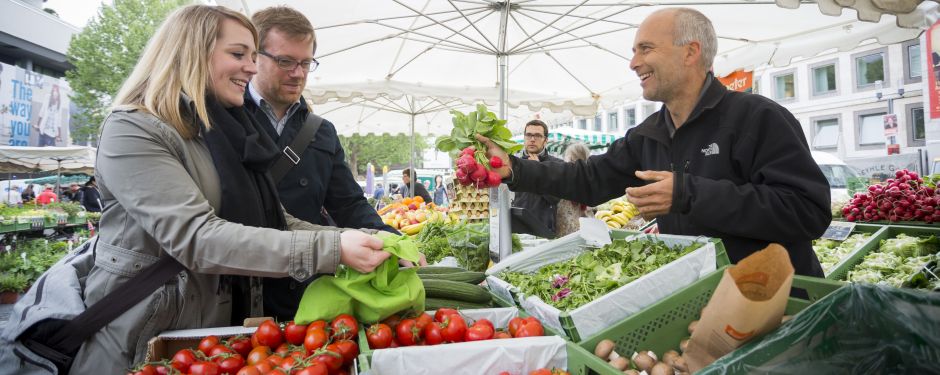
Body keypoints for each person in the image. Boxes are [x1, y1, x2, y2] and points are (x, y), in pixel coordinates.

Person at [54, 6, 391, 373]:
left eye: (251, 55)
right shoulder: (133, 130)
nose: (250, 66)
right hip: (140, 339)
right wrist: (332, 247)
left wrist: (368, 237)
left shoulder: (219, 130)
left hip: (209, 339)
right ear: (192, 52)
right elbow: (197, 236)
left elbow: (274, 220)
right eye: (238, 54)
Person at [477, 7, 830, 277]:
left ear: (690, 52)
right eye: (634, 51)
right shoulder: (649, 133)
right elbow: (587, 179)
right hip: (701, 303)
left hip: (779, 305)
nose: (633, 63)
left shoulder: (757, 118)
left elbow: (808, 211)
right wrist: (514, 168)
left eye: (645, 49)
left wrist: (687, 194)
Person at [243, 5, 403, 320]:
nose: (298, 73)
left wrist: (391, 239)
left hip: (304, 288)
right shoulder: (226, 117)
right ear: (254, 57)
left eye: (306, 63)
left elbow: (349, 205)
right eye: (285, 61)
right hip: (242, 285)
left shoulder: (321, 132)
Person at [511, 119, 563, 236]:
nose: (532, 139)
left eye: (538, 136)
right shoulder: (515, 164)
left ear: (545, 140)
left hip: (543, 230)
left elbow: (555, 198)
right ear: (524, 138)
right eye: (529, 135)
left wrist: (538, 170)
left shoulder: (557, 164)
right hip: (518, 229)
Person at [555, 143, 591, 237]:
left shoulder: (566, 177)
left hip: (567, 231)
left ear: (570, 158)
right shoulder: (589, 178)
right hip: (585, 230)